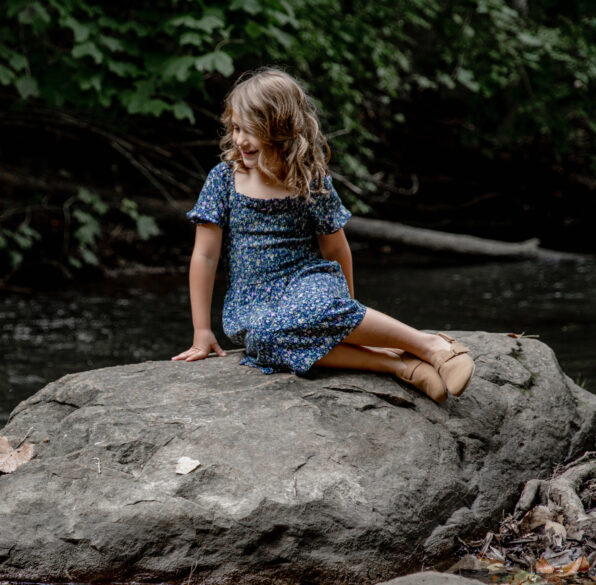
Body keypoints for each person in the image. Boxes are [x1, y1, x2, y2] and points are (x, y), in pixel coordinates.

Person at [172, 67, 473, 403]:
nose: (240, 140)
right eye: (236, 128)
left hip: (308, 281)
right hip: (253, 302)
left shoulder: (308, 180)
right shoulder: (223, 179)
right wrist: (202, 332)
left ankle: (433, 347)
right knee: (262, 339)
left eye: (251, 131)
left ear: (280, 130)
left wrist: (347, 313)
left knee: (312, 309)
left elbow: (335, 249)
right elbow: (205, 255)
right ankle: (397, 365)